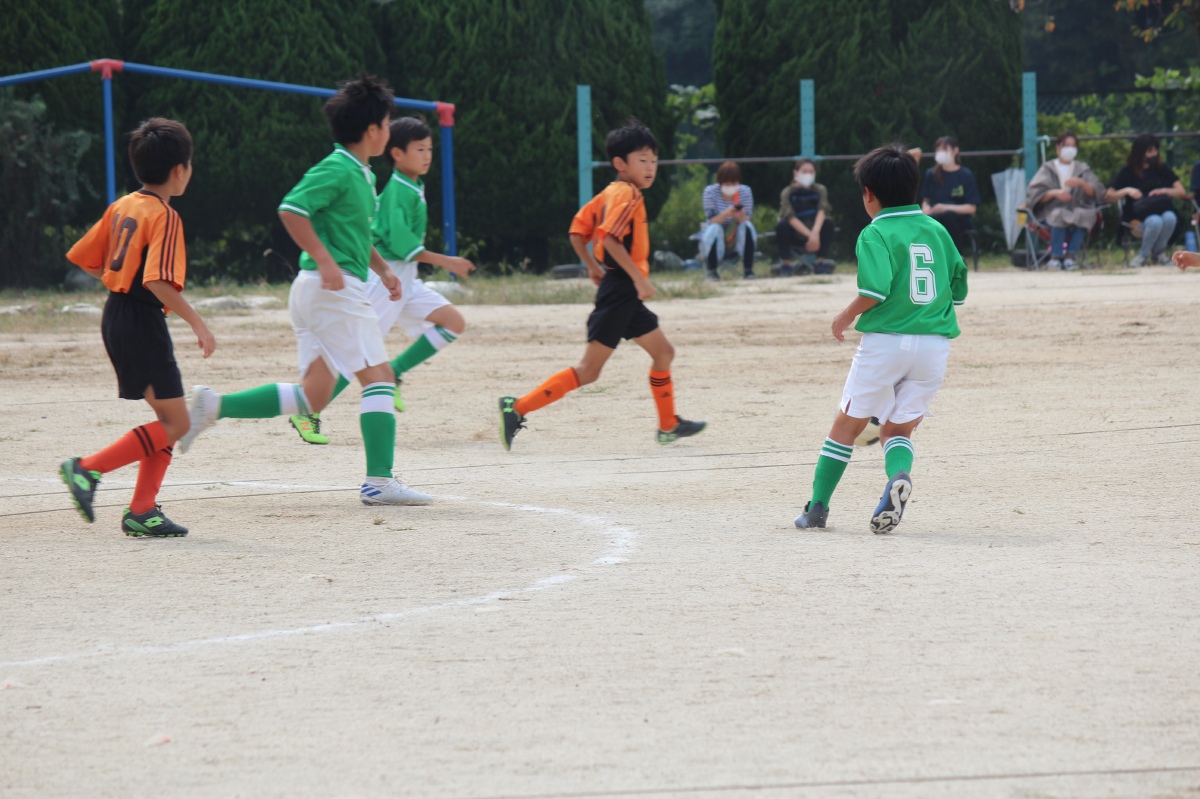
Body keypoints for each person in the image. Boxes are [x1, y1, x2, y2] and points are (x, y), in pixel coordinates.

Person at [178, 75, 432, 506]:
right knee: (380, 378)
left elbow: (355, 234)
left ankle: (213, 406)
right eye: (387, 123)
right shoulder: (338, 167)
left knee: (313, 396)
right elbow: (292, 209)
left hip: (318, 292)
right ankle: (379, 482)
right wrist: (325, 260)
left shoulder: (361, 173)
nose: (390, 131)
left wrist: (384, 270)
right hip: (332, 290)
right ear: (372, 130)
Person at [497, 119, 706, 450]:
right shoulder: (628, 194)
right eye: (642, 160)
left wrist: (593, 267)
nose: (650, 167)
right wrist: (638, 278)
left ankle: (668, 425)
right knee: (588, 370)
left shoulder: (610, 192)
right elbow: (609, 239)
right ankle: (517, 407)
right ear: (620, 163)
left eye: (654, 160)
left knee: (664, 352)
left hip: (622, 290)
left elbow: (577, 232)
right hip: (621, 290)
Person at [793, 142, 967, 534]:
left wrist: (845, 315)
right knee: (896, 430)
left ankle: (817, 508)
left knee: (846, 426)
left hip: (886, 343)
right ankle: (898, 476)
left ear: (869, 194)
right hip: (934, 347)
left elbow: (875, 289)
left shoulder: (875, 232)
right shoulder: (937, 229)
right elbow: (958, 285)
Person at [60, 118, 216, 537]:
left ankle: (143, 510)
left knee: (171, 418)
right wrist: (198, 322)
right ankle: (86, 469)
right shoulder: (165, 215)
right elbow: (158, 281)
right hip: (141, 321)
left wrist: (120, 283)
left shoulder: (123, 205)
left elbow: (87, 259)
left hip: (116, 314)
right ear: (180, 170)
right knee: (178, 423)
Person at [287, 115, 476, 444]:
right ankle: (309, 411)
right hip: (385, 278)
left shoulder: (410, 185)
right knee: (357, 357)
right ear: (397, 154)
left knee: (452, 322)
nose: (427, 156)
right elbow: (403, 246)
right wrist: (446, 261)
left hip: (402, 279)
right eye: (419, 149)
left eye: (429, 149)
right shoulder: (396, 190)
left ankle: (396, 372)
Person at [1026, 131, 1105, 270]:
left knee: (1085, 214)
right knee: (1059, 214)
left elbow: (1097, 191)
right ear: (1058, 147)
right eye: (1067, 145)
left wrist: (1082, 183)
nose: (1070, 149)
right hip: (1050, 213)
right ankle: (1055, 258)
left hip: (1077, 208)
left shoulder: (1082, 169)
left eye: (1073, 146)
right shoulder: (1048, 169)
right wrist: (1054, 193)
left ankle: (1070, 257)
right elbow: (1034, 194)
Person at [1106, 133, 1186, 267]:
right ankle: (1143, 255)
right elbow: (1109, 195)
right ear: (1140, 152)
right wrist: (1127, 190)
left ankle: (1158, 253)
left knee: (1170, 217)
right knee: (1155, 221)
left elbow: (1181, 191)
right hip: (1137, 217)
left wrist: (1164, 190)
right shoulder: (1127, 171)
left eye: (1155, 150)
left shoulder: (1161, 168)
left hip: (1161, 209)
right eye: (1150, 151)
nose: (1154, 154)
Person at [919, 135, 980, 255]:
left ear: (955, 150)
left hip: (959, 219)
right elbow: (926, 200)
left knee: (947, 216)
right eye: (938, 150)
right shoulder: (931, 174)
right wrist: (925, 207)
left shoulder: (966, 175)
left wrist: (945, 207)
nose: (940, 153)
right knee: (933, 219)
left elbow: (971, 208)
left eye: (944, 149)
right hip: (935, 217)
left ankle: (957, 255)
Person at [775, 158, 834, 275]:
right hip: (795, 233)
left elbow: (822, 211)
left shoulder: (820, 190)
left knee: (828, 223)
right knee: (782, 225)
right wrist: (810, 235)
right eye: (804, 171)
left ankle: (820, 263)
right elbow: (790, 217)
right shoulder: (787, 192)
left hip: (815, 231)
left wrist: (815, 232)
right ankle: (785, 265)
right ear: (796, 173)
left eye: (811, 171)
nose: (808, 174)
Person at [700, 161, 756, 280]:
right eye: (727, 183)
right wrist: (726, 214)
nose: (730, 186)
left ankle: (748, 269)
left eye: (733, 183)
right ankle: (712, 270)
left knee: (747, 226)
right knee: (714, 229)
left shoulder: (745, 191)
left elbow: (747, 218)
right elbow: (711, 220)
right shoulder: (710, 192)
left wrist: (740, 216)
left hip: (736, 235)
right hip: (718, 235)